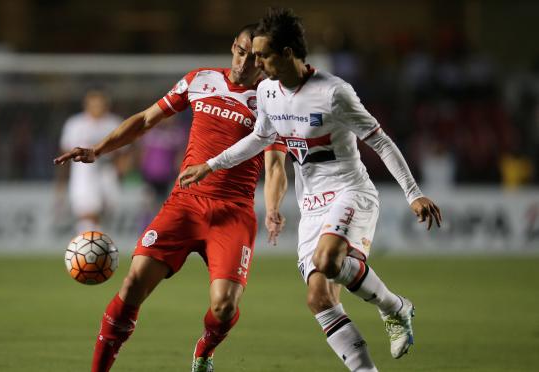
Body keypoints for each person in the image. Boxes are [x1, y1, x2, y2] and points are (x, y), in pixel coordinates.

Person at [179, 8, 442, 372]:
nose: (256, 62)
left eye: (263, 55)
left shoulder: (334, 93)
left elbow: (380, 142)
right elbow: (260, 138)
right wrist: (210, 164)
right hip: (312, 206)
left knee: (328, 260)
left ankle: (393, 308)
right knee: (319, 298)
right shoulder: (268, 91)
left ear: (287, 54)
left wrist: (414, 194)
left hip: (350, 191)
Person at [54, 24, 287, 372]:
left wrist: (273, 208)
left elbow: (275, 163)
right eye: (240, 50)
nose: (244, 61)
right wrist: (99, 150)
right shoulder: (201, 80)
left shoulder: (275, 100)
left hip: (233, 212)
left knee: (224, 307)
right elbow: (147, 119)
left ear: (266, 59)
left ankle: (204, 351)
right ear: (232, 46)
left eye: (254, 56)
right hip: (185, 203)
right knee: (133, 282)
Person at [56, 90, 124, 234]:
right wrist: (61, 181)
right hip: (83, 174)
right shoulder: (75, 124)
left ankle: (96, 248)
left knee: (106, 215)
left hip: (107, 173)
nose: (97, 108)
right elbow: (65, 153)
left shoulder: (113, 123)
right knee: (87, 214)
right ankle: (89, 250)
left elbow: (125, 152)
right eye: (93, 104)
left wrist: (121, 168)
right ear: (86, 105)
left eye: (100, 104)